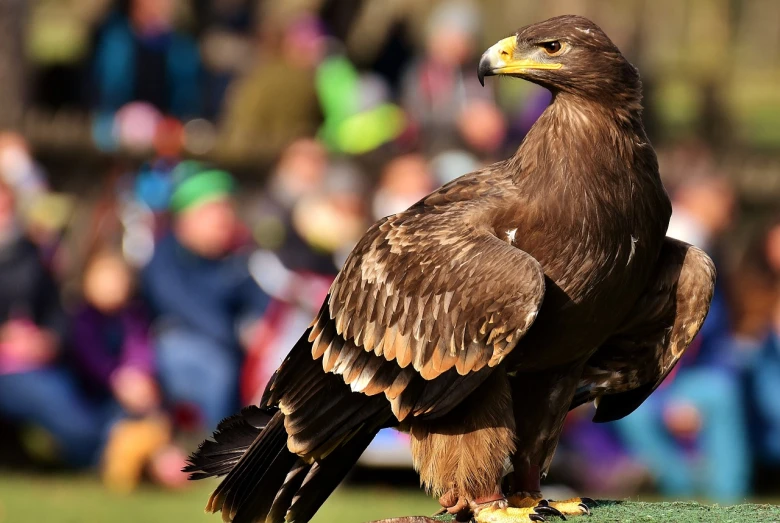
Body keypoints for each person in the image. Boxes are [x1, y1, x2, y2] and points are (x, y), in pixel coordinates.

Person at [614, 174, 749, 502]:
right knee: (633, 413)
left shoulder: (711, 253)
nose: (729, 214)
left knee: (722, 390)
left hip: (694, 379)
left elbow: (715, 342)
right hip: (648, 385)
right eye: (722, 204)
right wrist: (666, 399)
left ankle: (727, 502)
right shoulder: (673, 246)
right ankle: (684, 492)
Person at [142, 162, 270, 431]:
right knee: (213, 368)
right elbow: (182, 308)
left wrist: (260, 328)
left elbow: (262, 302)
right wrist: (237, 335)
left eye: (227, 209)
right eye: (212, 211)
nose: (223, 219)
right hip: (173, 350)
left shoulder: (238, 258)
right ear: (185, 219)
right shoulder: (165, 258)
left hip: (230, 348)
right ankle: (216, 445)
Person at [0, 176, 101, 468]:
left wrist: (49, 340)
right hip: (12, 369)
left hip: (36, 364)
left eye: (7, 205)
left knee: (81, 426)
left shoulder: (33, 255)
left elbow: (56, 312)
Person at [72, 248, 187, 491]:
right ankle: (143, 461)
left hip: (135, 393)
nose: (111, 288)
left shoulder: (133, 317)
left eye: (117, 281)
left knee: (155, 417)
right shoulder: (83, 320)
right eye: (103, 281)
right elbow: (92, 359)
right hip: (100, 398)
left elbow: (141, 349)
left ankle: (159, 457)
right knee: (118, 429)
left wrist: (140, 376)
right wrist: (118, 379)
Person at [93, 0, 202, 119]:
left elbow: (187, 102)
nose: (154, 6)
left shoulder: (182, 48)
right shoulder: (115, 42)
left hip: (167, 128)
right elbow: (107, 96)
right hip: (119, 125)